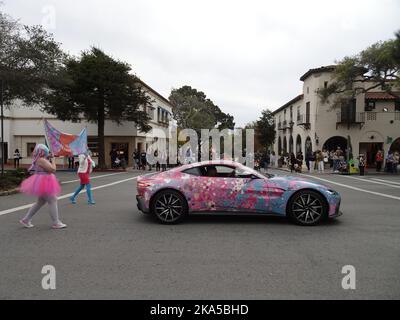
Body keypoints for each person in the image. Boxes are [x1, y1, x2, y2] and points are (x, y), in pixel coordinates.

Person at [19, 144, 66, 229]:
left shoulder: (40, 159)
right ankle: (56, 222)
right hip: (44, 181)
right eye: (46, 150)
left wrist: (50, 158)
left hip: (43, 181)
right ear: (43, 151)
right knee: (52, 200)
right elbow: (53, 169)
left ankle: (26, 220)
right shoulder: (41, 160)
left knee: (41, 202)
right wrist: (53, 160)